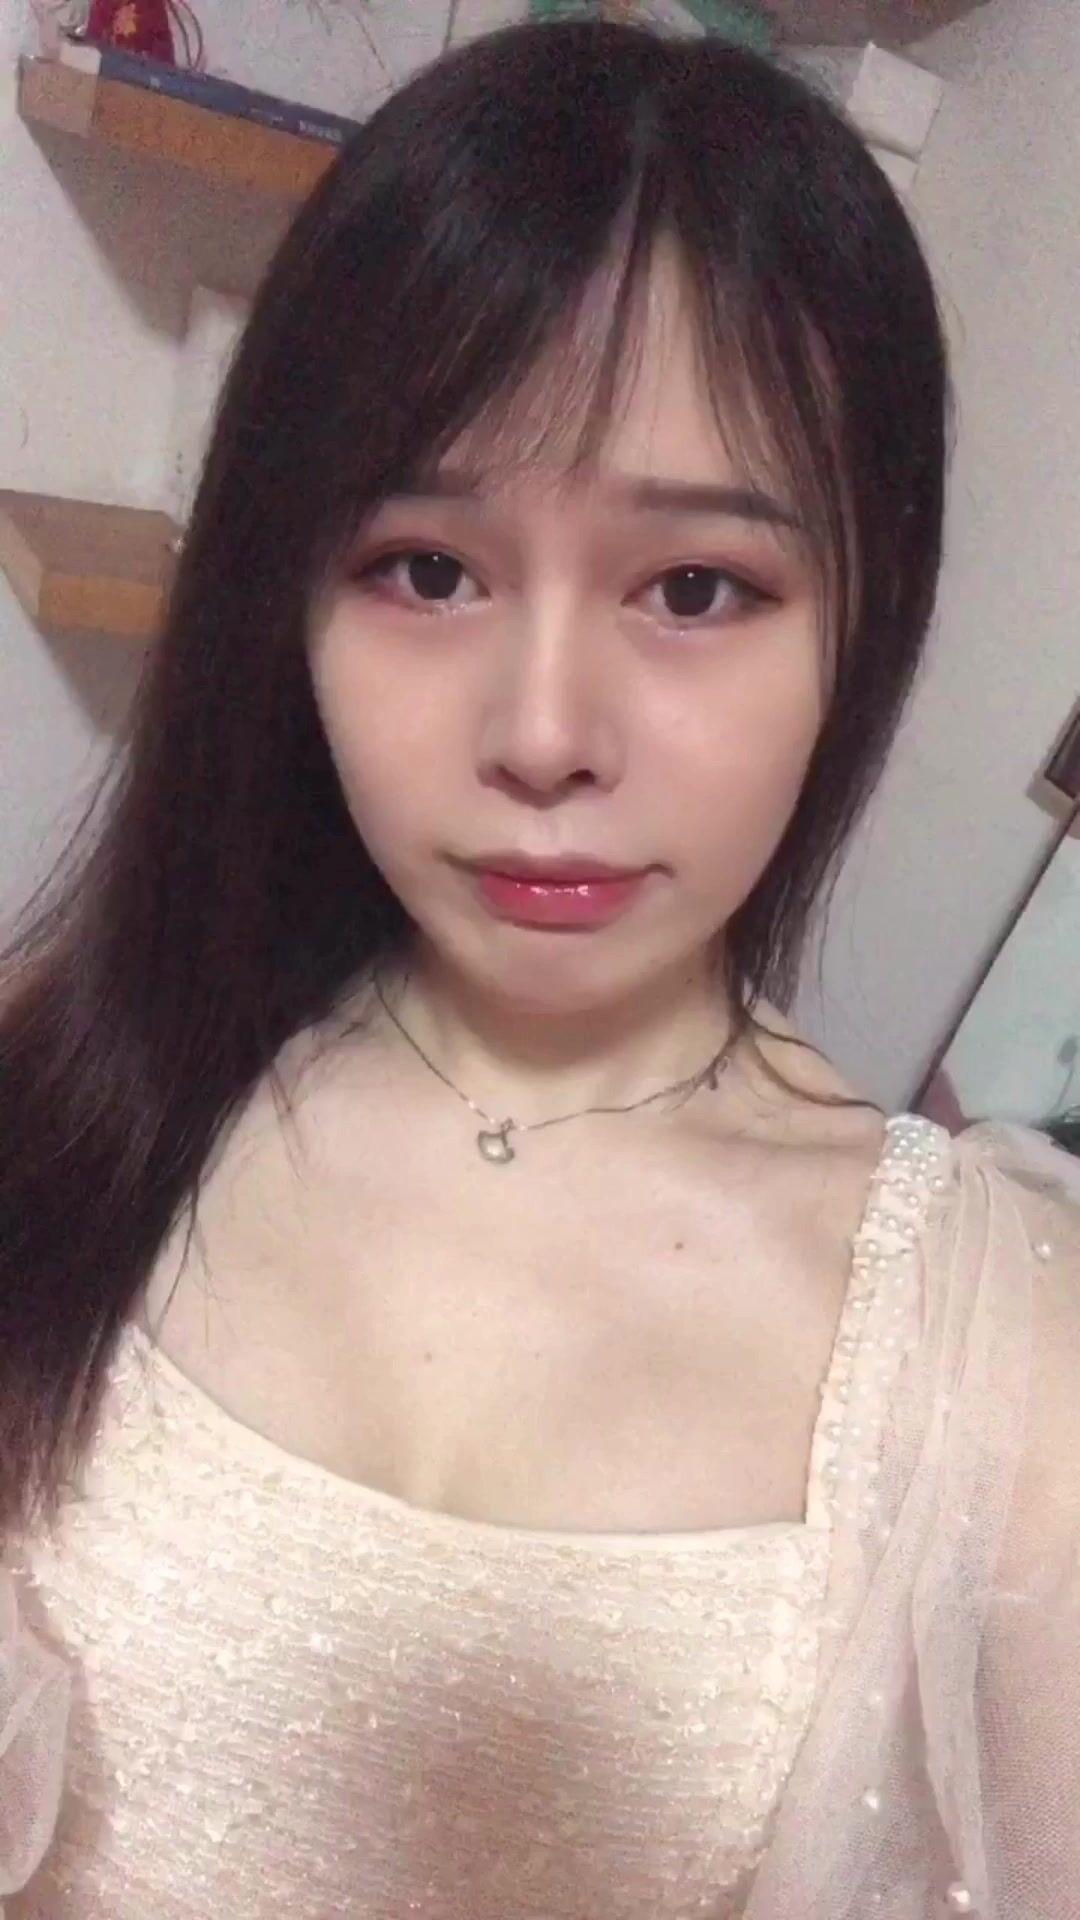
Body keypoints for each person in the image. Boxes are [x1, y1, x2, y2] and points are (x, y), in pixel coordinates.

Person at [1, 17, 1077, 1919]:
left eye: (695, 588)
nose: (544, 735)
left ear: (865, 618)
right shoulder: (78, 1069)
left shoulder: (996, 1363)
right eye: (427, 569)